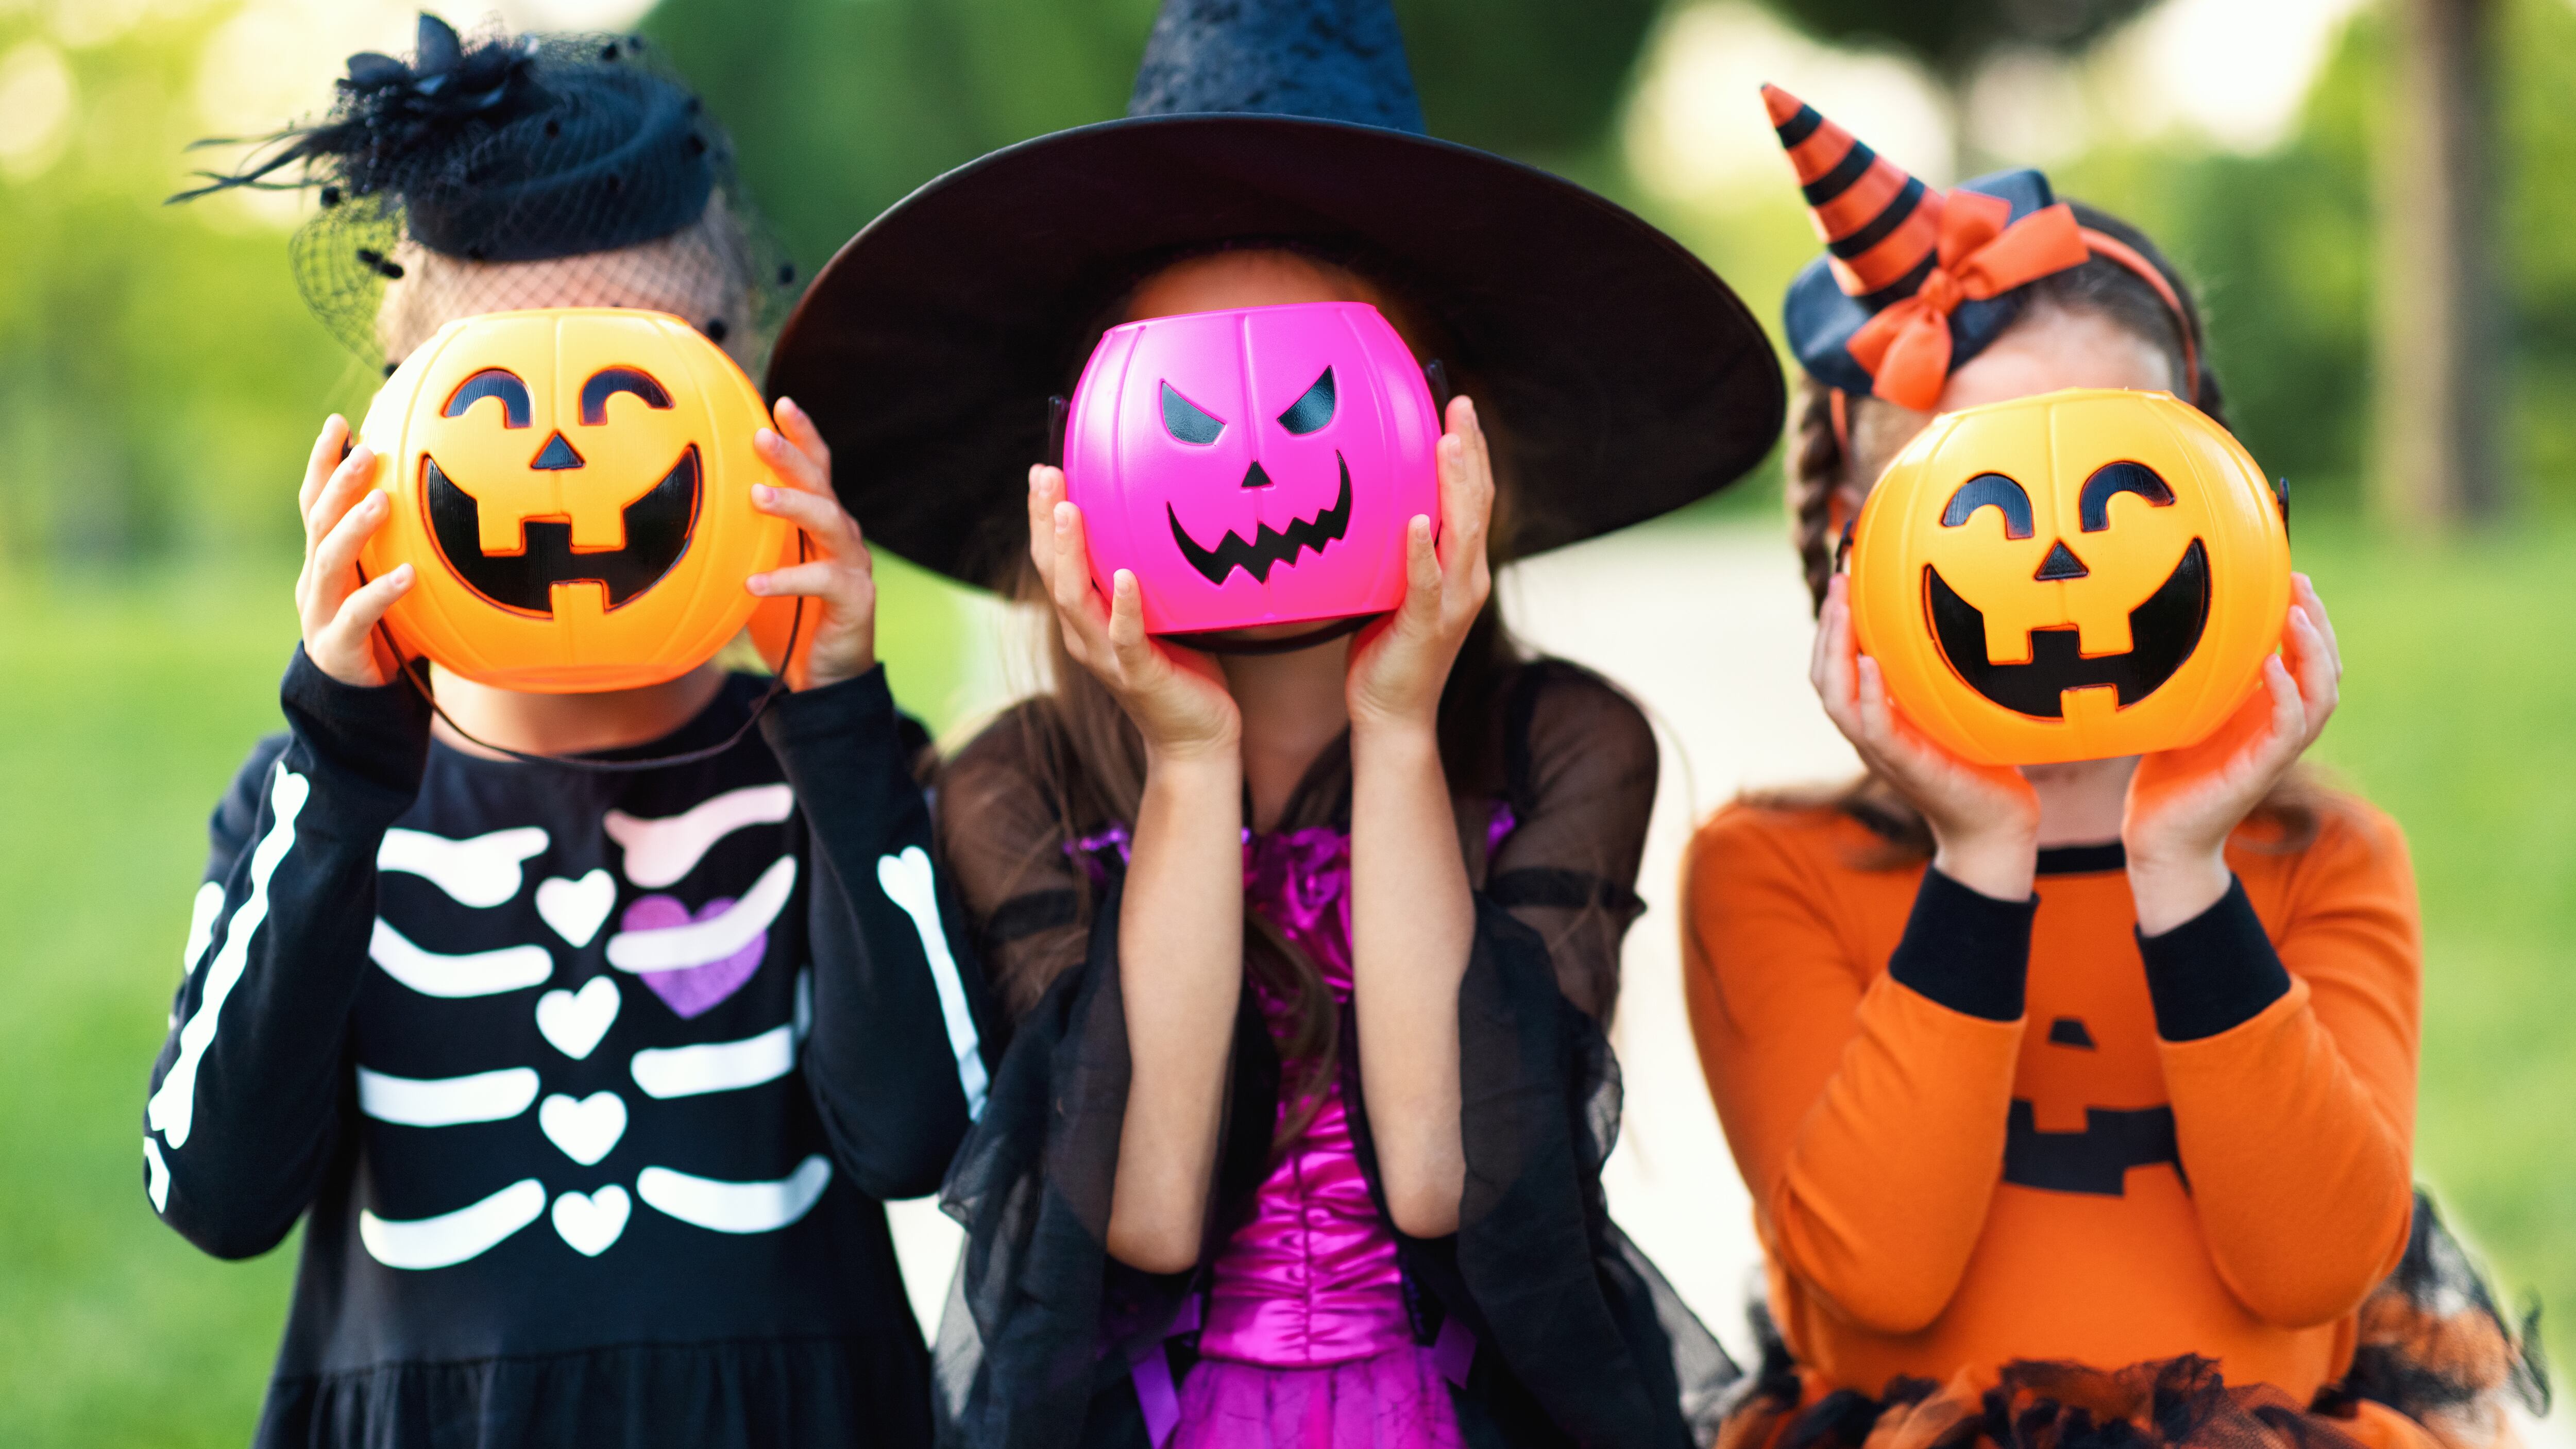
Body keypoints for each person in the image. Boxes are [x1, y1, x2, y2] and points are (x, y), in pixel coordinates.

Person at [768, 3, 1784, 1444]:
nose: (1251, 458)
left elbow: (1447, 1174)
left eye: (1314, 399)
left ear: (1442, 427)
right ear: (1088, 453)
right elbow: (1146, 1204)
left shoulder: (1563, 741)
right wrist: (1185, 756)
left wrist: (1401, 726)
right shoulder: (1021, 786)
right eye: (1182, 407)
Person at [146, 18, 989, 1446]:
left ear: (741, 411)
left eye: (630, 395)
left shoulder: (832, 767)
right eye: (493, 405)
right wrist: (343, 750)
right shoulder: (322, 796)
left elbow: (923, 1138)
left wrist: (836, 717)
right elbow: (217, 1193)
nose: (564, 462)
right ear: (394, 444)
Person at [1681, 89, 2545, 1449]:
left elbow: (2317, 1261)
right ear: (1858, 542)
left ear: (2228, 496)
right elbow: (1881, 1271)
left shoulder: (2325, 857)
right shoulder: (1772, 867)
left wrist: (2185, 869)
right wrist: (1976, 859)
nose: (2056, 560)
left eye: (2120, 480)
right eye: (1979, 499)